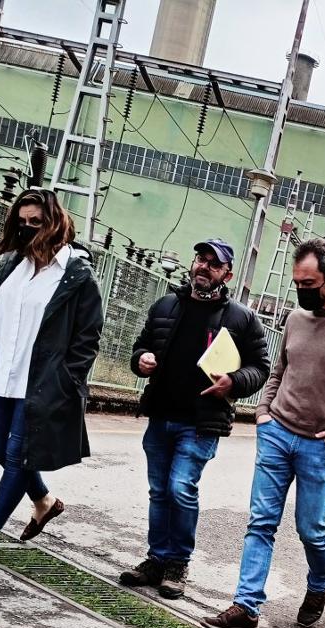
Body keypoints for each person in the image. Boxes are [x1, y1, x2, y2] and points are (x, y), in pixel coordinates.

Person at [202, 238, 325, 628]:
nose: (301, 290)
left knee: (310, 530)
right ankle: (246, 606)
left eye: (309, 283)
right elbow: (279, 371)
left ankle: (319, 585)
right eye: (297, 282)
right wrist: (264, 413)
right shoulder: (295, 319)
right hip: (277, 435)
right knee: (261, 522)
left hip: (321, 447)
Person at [119, 239, 270, 600]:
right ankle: (156, 559)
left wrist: (234, 381)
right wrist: (141, 359)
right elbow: (140, 347)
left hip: (201, 422)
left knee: (180, 488)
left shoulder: (241, 318)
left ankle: (177, 564)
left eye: (212, 264)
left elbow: (260, 367)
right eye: (200, 259)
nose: (203, 267)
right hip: (161, 415)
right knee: (159, 491)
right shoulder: (166, 305)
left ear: (226, 274)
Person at [0, 188, 103, 561]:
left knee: (17, 457)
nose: (26, 229)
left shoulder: (76, 275)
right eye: (21, 223)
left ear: (54, 223)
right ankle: (44, 500)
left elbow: (88, 337)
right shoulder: (15, 266)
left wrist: (67, 379)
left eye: (35, 223)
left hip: (40, 384)